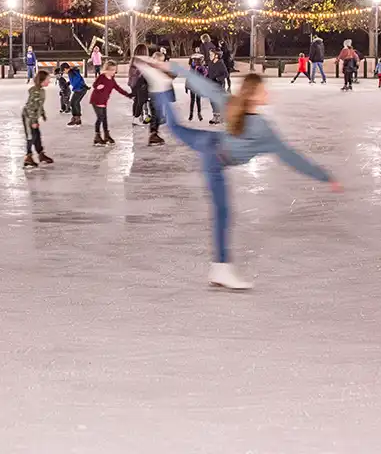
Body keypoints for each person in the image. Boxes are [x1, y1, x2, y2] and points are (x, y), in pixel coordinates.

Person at [133, 58, 339, 290]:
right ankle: (221, 268)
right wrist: (325, 176)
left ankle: (159, 87)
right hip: (214, 156)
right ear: (253, 95)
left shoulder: (234, 106)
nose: (267, 94)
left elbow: (206, 87)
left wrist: (173, 69)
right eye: (263, 91)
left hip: (210, 142)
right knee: (223, 211)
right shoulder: (263, 128)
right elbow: (292, 157)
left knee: (176, 129)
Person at [89, 60, 131, 146]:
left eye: (114, 70)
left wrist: (129, 95)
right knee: (100, 118)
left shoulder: (112, 79)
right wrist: (98, 87)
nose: (113, 72)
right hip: (96, 100)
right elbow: (94, 85)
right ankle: (97, 136)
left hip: (104, 101)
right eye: (111, 70)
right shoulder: (102, 77)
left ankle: (106, 135)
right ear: (106, 70)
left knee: (104, 119)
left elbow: (118, 88)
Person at [22, 69, 54, 168]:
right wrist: (33, 121)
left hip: (33, 116)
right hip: (28, 116)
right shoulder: (35, 92)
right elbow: (31, 107)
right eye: (47, 80)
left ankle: (40, 154)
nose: (49, 81)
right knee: (31, 137)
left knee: (37, 135)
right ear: (42, 80)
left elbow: (39, 105)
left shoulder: (41, 91)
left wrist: (42, 114)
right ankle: (28, 157)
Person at [205, 49, 228, 124]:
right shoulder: (210, 63)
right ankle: (215, 116)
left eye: (211, 54)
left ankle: (221, 116)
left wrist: (219, 78)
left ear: (216, 55)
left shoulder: (220, 63)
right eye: (210, 54)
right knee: (212, 101)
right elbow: (209, 73)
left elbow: (225, 74)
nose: (210, 56)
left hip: (218, 85)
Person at [186, 52, 207, 121]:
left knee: (198, 100)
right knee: (192, 100)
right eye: (194, 60)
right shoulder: (192, 68)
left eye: (196, 60)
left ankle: (199, 113)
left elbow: (205, 75)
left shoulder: (202, 68)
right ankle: (191, 114)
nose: (195, 62)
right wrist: (186, 86)